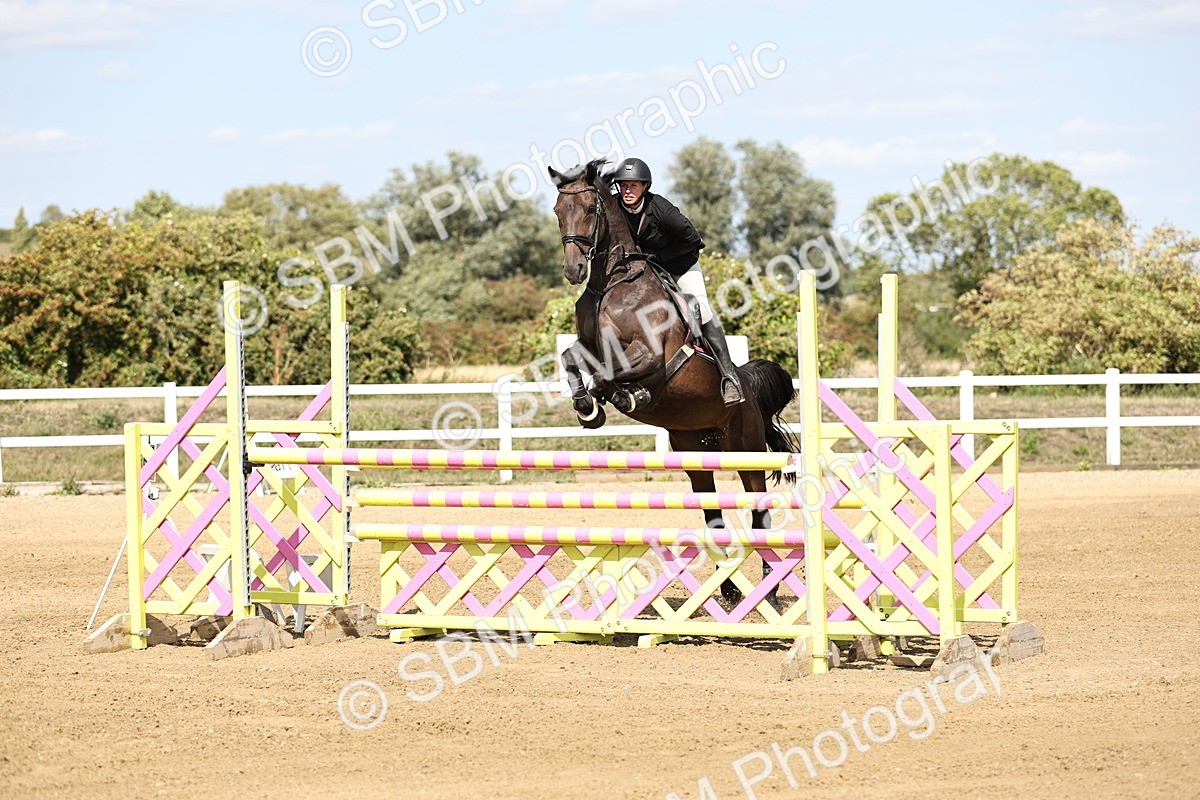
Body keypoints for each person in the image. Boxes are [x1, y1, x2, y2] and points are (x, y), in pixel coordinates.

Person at [609, 157, 744, 405]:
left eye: (633, 186)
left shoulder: (662, 210)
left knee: (701, 309)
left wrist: (656, 256)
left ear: (645, 187)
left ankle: (729, 377)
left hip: (680, 265)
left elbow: (694, 241)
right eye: (623, 186)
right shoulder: (616, 208)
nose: (627, 191)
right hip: (645, 271)